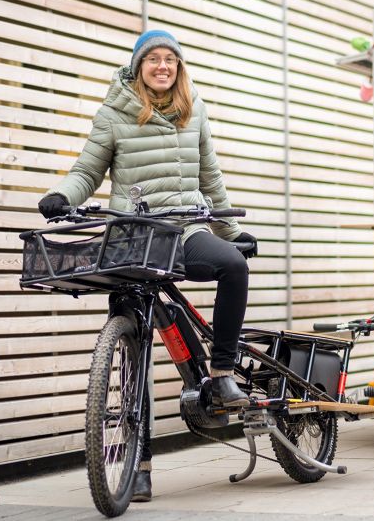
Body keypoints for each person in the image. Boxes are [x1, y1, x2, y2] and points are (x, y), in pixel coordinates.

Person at [37, 30, 257, 502]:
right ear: (138, 67)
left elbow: (210, 177)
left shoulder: (194, 111)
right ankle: (138, 470)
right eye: (153, 59)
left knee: (233, 267)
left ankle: (221, 375)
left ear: (178, 68)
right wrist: (62, 197)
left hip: (184, 232)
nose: (162, 66)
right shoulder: (114, 113)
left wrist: (233, 236)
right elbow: (87, 170)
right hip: (135, 240)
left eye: (170, 60)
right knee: (134, 357)